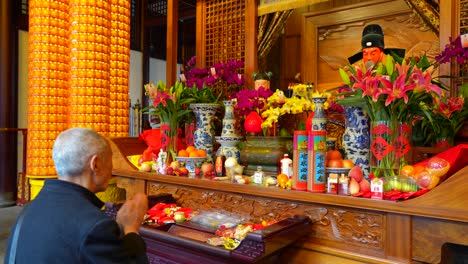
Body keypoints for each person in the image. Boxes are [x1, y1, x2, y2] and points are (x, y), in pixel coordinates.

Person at [4, 128, 149, 264]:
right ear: (96, 164)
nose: (112, 168)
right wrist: (130, 228)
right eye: (111, 160)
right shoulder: (96, 226)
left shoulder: (29, 209)